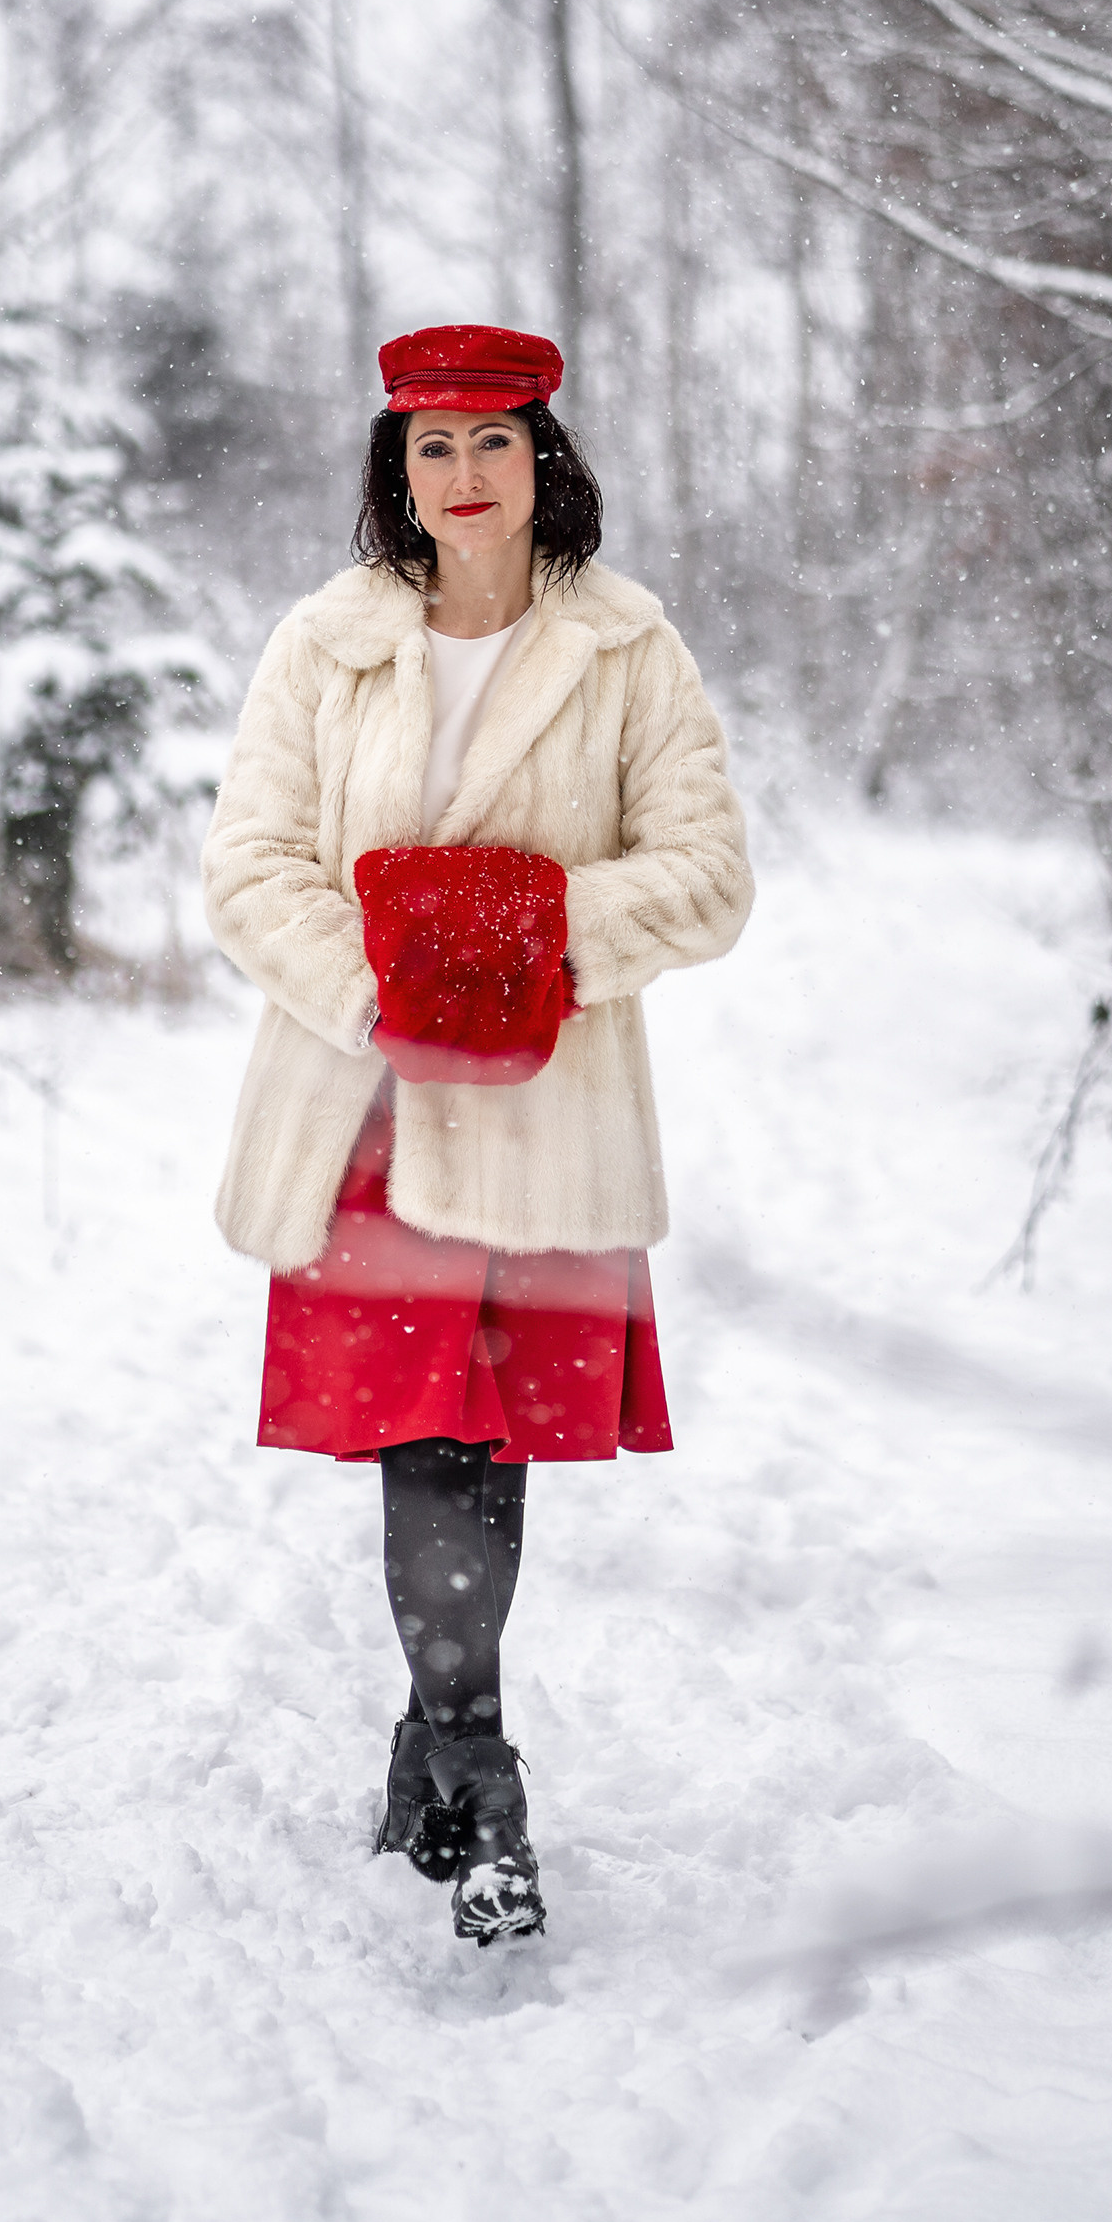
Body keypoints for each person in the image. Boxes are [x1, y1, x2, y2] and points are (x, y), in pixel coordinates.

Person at [201, 323, 753, 1945]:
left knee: (492, 1439)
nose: (462, 477)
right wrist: (392, 990)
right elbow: (249, 869)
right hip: (363, 1097)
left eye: (492, 444)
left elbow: (709, 873)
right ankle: (477, 1762)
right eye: (430, 448)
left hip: (548, 1103)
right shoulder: (325, 645)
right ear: (397, 468)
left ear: (543, 460)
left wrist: (518, 946)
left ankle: (433, 1745)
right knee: (420, 1434)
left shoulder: (628, 649)